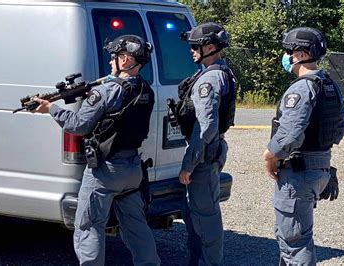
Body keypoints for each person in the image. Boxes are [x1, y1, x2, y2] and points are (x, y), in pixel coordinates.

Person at [31, 35, 160, 266]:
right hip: (132, 170)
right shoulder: (146, 89)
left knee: (89, 227)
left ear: (125, 59)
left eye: (114, 57)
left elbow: (78, 125)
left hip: (105, 172)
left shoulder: (107, 91)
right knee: (136, 227)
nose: (111, 62)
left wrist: (51, 109)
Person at [262, 27, 344, 265]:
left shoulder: (301, 88)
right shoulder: (330, 85)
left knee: (295, 243)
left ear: (300, 54)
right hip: (320, 168)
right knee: (291, 237)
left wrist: (269, 156)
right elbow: (341, 126)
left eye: (288, 52)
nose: (286, 57)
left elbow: (289, 136)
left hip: (298, 173)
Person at [176, 22, 237, 265]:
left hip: (202, 157)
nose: (191, 50)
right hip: (212, 152)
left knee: (205, 219)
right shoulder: (222, 73)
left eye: (195, 46)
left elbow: (206, 126)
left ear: (210, 47)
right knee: (196, 216)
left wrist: (189, 164)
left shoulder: (209, 80)